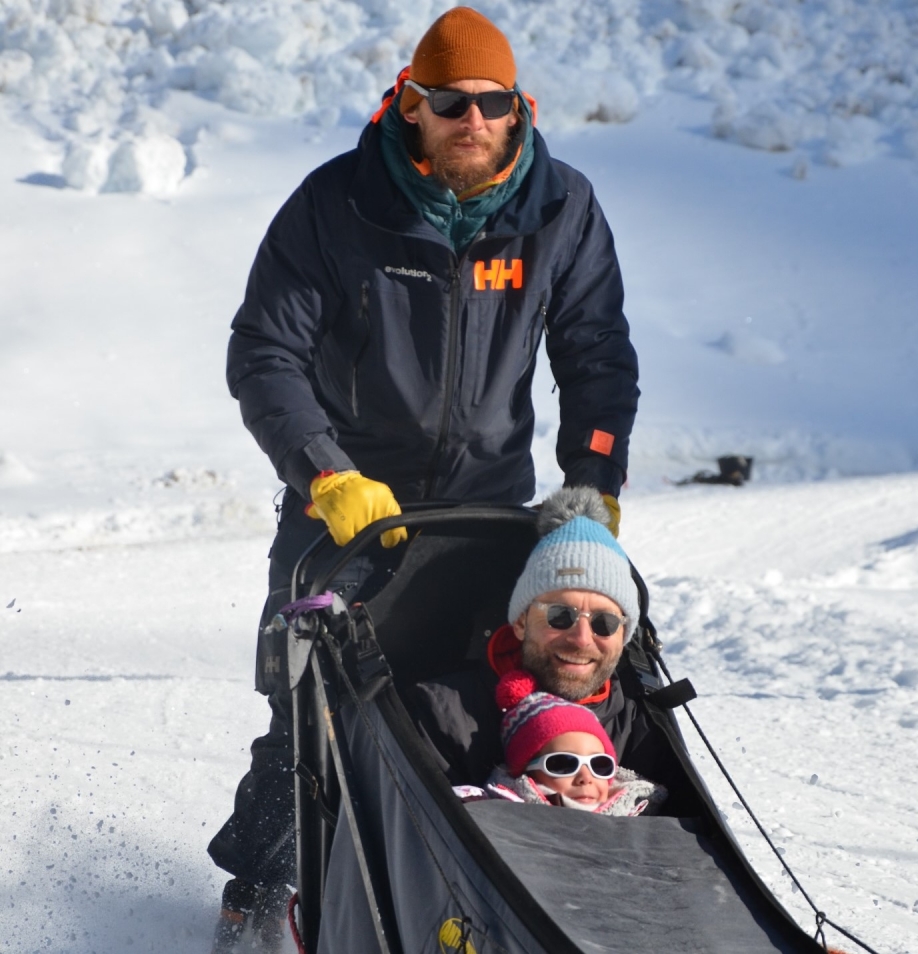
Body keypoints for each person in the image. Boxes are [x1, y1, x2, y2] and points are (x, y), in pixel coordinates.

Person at [209, 6, 640, 951]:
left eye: (490, 104)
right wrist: (327, 474)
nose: (471, 119)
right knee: (310, 714)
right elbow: (264, 354)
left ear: (518, 110)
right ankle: (256, 891)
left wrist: (589, 486)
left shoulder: (560, 209)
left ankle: (504, 891)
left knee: (502, 699)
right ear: (411, 104)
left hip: (490, 507)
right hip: (348, 510)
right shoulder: (336, 204)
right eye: (450, 102)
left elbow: (597, 354)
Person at [407, 487, 686, 799]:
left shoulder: (637, 729)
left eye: (604, 623)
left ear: (623, 635)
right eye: (560, 616)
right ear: (522, 622)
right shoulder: (445, 716)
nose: (581, 639)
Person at [472, 669, 667, 815]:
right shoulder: (494, 808)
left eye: (599, 765)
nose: (585, 777)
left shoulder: (637, 807)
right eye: (563, 764)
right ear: (526, 771)